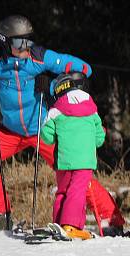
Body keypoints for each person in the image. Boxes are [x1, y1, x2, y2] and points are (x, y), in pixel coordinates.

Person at [0, 14, 125, 235]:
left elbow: (84, 69)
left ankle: (111, 221)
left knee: (77, 174)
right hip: (10, 132)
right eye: (19, 42)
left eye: (29, 41)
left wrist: (53, 84)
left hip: (45, 131)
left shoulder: (41, 58)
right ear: (4, 42)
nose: (26, 47)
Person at [39, 72, 105, 240]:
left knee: (63, 192)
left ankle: (59, 224)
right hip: (85, 161)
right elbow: (99, 139)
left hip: (64, 160)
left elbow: (46, 137)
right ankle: (71, 226)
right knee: (77, 192)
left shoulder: (56, 110)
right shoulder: (92, 110)